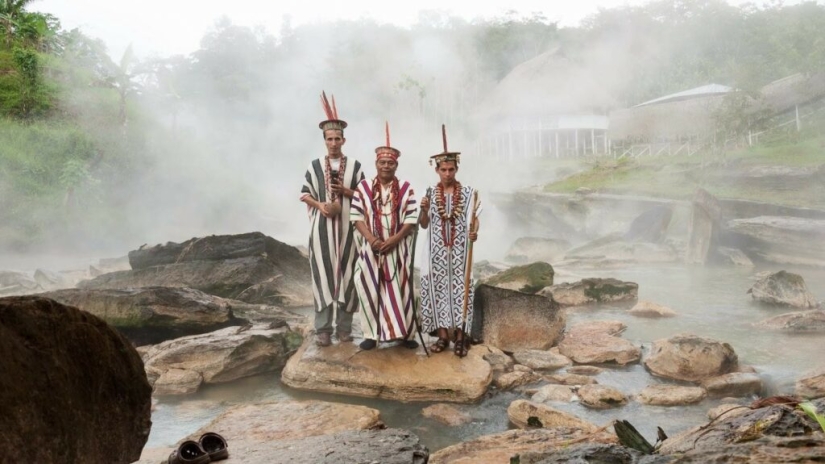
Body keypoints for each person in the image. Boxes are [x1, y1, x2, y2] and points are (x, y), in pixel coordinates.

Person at [300, 92, 365, 347]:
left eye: (338, 138)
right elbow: (305, 194)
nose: (334, 143)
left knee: (348, 276)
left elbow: (366, 194)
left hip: (349, 230)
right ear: (324, 140)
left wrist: (344, 195)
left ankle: (345, 328)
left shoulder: (355, 167)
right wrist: (322, 206)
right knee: (323, 276)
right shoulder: (314, 165)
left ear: (344, 140)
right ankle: (323, 329)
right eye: (330, 139)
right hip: (321, 231)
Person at [350, 122, 420, 351]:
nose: (386, 166)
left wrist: (393, 240)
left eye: (390, 163)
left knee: (403, 288)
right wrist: (372, 240)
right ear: (376, 164)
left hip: (398, 249)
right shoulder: (363, 188)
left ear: (396, 165)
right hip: (372, 249)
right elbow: (357, 217)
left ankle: (406, 334)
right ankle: (371, 334)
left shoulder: (407, 188)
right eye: (382, 162)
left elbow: (411, 219)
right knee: (368, 286)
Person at [419, 124, 480, 357]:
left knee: (462, 291)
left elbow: (474, 218)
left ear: (456, 169)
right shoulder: (429, 193)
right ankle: (443, 336)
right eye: (443, 169)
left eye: (451, 169)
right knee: (437, 291)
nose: (447, 173)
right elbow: (424, 223)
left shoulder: (468, 193)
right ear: (437, 170)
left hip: (460, 251)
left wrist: (474, 231)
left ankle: (462, 337)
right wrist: (424, 210)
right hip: (435, 251)